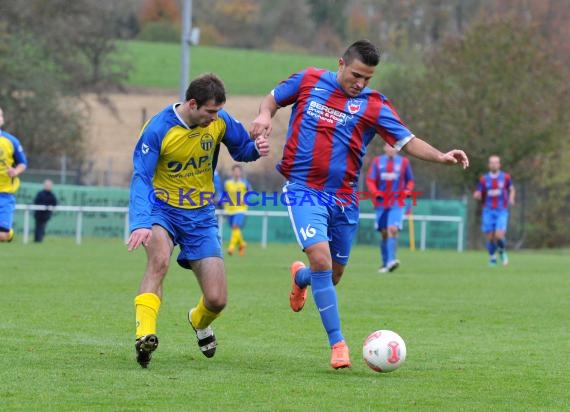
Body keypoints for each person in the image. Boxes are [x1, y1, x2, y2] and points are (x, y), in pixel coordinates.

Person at [250, 39, 468, 369]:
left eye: (368, 78)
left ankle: (301, 279)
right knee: (322, 261)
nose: (360, 83)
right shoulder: (309, 80)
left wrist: (441, 156)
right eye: (356, 75)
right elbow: (273, 99)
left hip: (345, 198)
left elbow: (406, 141)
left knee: (332, 275)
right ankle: (338, 344)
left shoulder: (374, 105)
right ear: (341, 63)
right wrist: (265, 115)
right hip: (304, 190)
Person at [127, 73, 269, 368]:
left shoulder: (220, 121)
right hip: (161, 210)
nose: (215, 118)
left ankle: (198, 320)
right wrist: (140, 221)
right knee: (159, 261)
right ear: (192, 104)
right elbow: (141, 177)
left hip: (201, 216)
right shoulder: (158, 129)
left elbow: (242, 149)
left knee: (217, 299)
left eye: (218, 112)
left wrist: (257, 148)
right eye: (210, 112)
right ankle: (145, 335)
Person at [366, 143, 415, 273]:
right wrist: (375, 192)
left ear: (397, 149)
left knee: (392, 229)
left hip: (397, 202)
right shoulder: (377, 162)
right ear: (385, 148)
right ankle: (385, 262)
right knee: (384, 233)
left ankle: (391, 261)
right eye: (389, 146)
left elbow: (410, 180)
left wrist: (407, 190)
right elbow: (370, 180)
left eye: (393, 147)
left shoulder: (404, 162)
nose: (391, 149)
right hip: (381, 203)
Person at [473, 155, 515, 267]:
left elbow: (511, 189)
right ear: (489, 165)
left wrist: (511, 198)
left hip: (501, 211)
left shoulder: (505, 177)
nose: (494, 164)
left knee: (499, 235)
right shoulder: (484, 179)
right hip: (488, 210)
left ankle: (501, 251)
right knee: (490, 237)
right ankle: (492, 258)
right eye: (492, 163)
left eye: (496, 162)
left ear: (499, 164)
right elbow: (478, 192)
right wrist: (477, 195)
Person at [0, 106, 27, 243]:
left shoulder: (11, 141)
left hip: (4, 195)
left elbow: (23, 163)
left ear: (2, 120)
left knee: (2, 236)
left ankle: (8, 234)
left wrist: (15, 171)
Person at [223, 164, 252, 256]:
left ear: (241, 172)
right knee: (235, 229)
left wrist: (245, 198)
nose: (237, 172)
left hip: (240, 209)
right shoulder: (227, 183)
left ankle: (231, 248)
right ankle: (242, 243)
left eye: (238, 171)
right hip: (229, 209)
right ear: (232, 172)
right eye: (235, 171)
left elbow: (250, 192)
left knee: (235, 226)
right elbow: (224, 194)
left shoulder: (245, 183)